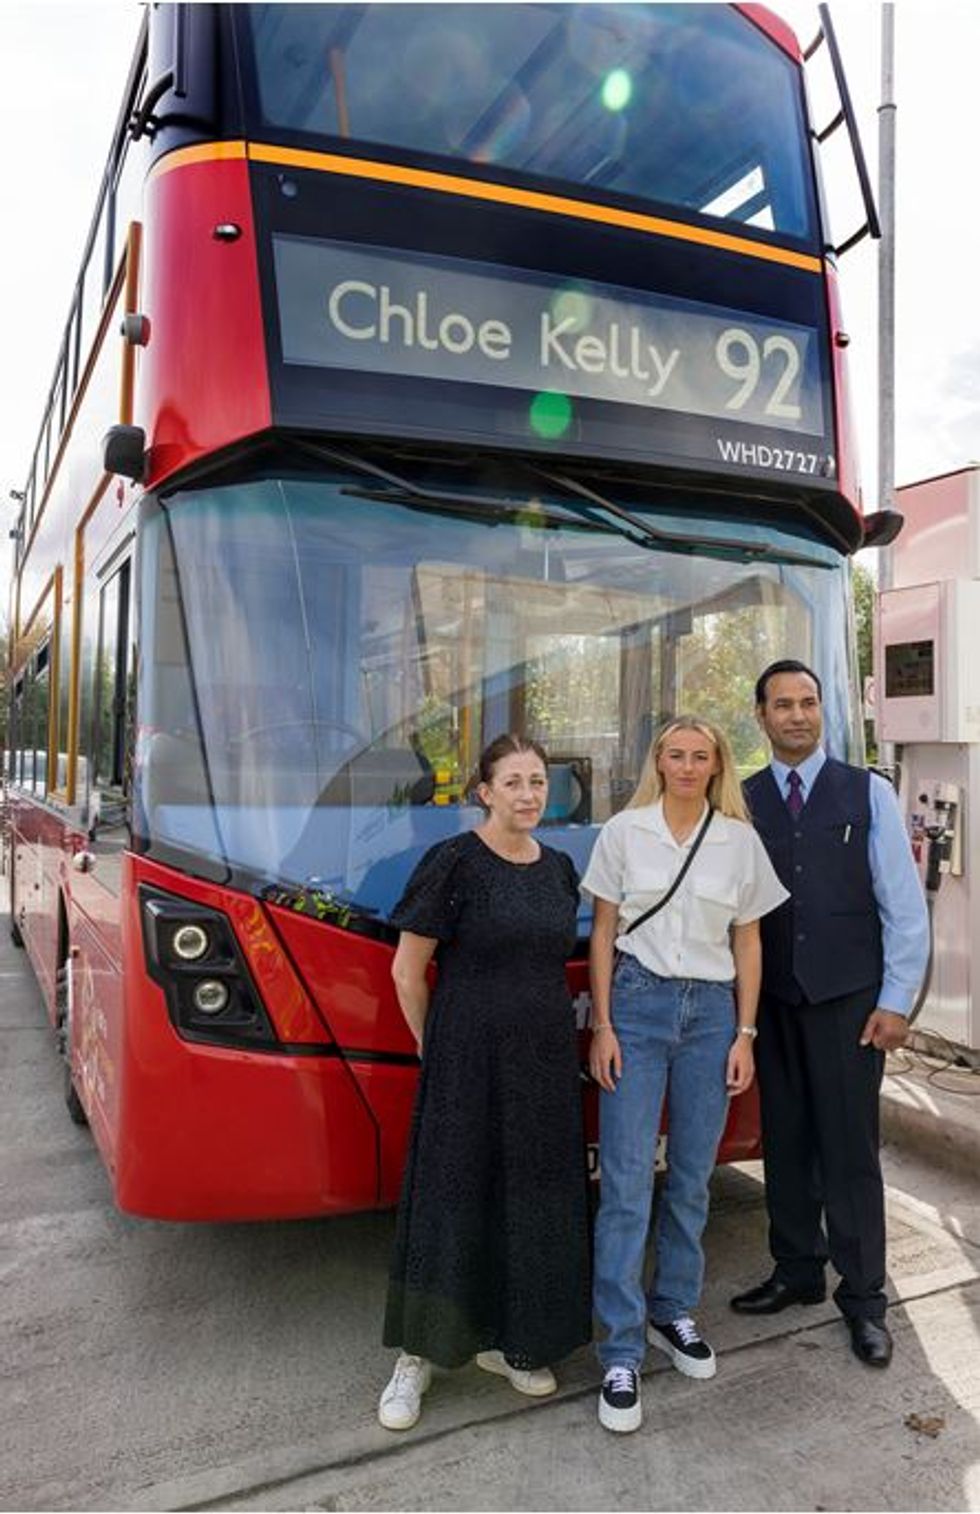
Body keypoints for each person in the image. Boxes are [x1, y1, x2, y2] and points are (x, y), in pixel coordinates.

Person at [378, 734, 591, 1431]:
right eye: (515, 782)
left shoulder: (559, 868)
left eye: (538, 781)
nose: (529, 794)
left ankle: (515, 1343)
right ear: (484, 791)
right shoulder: (454, 863)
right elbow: (407, 972)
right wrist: (435, 1048)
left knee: (532, 1200)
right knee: (452, 1195)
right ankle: (416, 1356)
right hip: (466, 1057)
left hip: (543, 1060)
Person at [584, 716, 788, 1433]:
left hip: (711, 1014)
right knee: (628, 1181)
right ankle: (619, 1347)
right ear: (659, 760)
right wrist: (602, 1025)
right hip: (637, 1007)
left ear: (716, 765)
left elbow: (750, 938)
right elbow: (604, 932)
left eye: (701, 756)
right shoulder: (624, 831)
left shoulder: (739, 840)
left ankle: (673, 1311)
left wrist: (745, 1033)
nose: (688, 765)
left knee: (694, 1176)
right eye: (676, 754)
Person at [730, 660, 929, 1369]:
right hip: (775, 1003)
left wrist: (896, 1003)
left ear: (822, 712)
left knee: (848, 1153)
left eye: (808, 703)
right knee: (785, 1143)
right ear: (761, 716)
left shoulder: (867, 792)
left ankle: (866, 1299)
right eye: (781, 704)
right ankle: (797, 1269)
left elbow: (903, 907)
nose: (797, 716)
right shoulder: (743, 798)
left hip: (850, 1003)